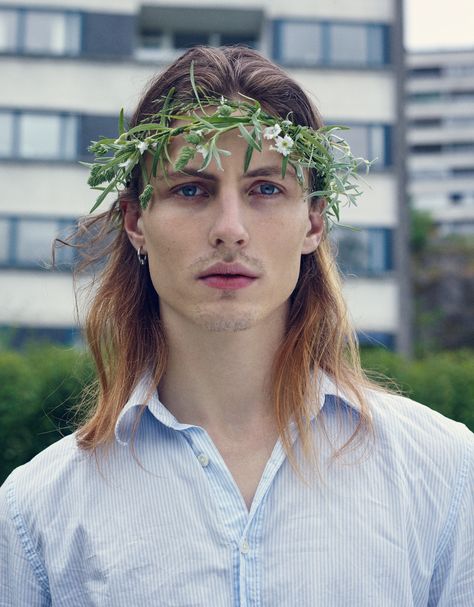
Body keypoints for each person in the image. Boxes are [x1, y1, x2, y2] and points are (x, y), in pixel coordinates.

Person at [0, 46, 473, 607]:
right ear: (136, 223)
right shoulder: (36, 513)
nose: (230, 229)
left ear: (314, 223)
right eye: (191, 190)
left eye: (266, 190)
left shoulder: (445, 475)